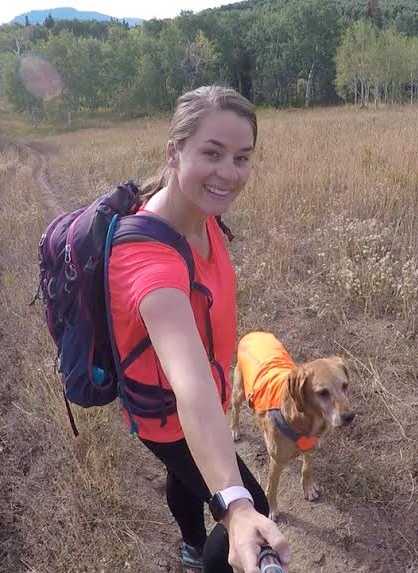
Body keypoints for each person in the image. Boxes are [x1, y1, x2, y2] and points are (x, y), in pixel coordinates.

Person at [106, 85, 290, 573]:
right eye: (212, 152)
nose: (229, 173)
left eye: (242, 157)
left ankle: (189, 544)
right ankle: (206, 558)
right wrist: (236, 505)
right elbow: (189, 387)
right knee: (253, 508)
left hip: (188, 406)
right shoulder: (148, 258)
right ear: (175, 151)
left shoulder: (200, 214)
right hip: (170, 416)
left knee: (184, 477)